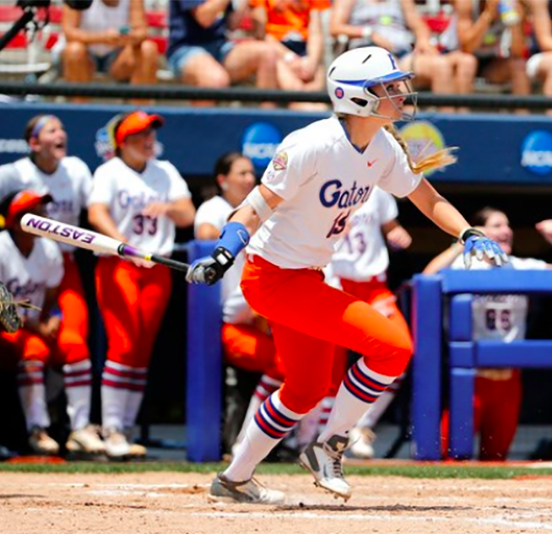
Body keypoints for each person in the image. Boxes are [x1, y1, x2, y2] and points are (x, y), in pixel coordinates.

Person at [186, 45, 509, 504]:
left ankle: (234, 479)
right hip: (273, 278)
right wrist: (223, 252)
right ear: (355, 97)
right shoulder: (311, 143)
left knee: (305, 390)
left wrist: (467, 232)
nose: (399, 94)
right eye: (387, 87)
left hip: (308, 276)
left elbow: (426, 196)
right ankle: (329, 446)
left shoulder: (381, 146)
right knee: (394, 347)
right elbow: (255, 206)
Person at [423, 209, 552, 460]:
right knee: (447, 457)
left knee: (496, 458)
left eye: (507, 226)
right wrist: (465, 238)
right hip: (471, 378)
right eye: (497, 225)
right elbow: (426, 280)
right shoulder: (465, 266)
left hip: (510, 380)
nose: (506, 231)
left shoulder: (522, 265)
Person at [88, 111, 196, 459]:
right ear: (123, 142)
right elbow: (95, 214)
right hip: (118, 262)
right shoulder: (108, 171)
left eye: (150, 133)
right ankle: (113, 428)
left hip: (156, 265)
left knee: (140, 348)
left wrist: (167, 207)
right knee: (122, 343)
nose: (148, 140)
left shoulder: (165, 171)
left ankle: (126, 427)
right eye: (140, 135)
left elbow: (187, 213)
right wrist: (123, 244)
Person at [0, 190, 105, 456]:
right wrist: (37, 326)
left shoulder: (48, 248)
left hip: (35, 323)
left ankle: (80, 429)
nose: (44, 218)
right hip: (2, 329)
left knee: (74, 346)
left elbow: (53, 297)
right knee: (34, 348)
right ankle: (37, 429)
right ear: (16, 218)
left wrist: (55, 317)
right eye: (35, 213)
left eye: (42, 212)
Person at [0, 115, 94, 401]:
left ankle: (70, 422)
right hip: (20, 256)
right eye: (51, 130)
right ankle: (36, 420)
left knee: (73, 340)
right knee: (29, 343)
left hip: (64, 259)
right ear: (34, 142)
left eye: (63, 128)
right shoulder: (11, 174)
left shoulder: (76, 169)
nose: (61, 134)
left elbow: (97, 207)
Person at [194, 152, 285, 454]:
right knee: (281, 363)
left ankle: (277, 439)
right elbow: (206, 238)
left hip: (258, 314)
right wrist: (237, 232)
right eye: (241, 173)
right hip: (227, 317)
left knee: (297, 362)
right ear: (223, 179)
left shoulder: (261, 210)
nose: (249, 179)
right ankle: (248, 442)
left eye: (251, 174)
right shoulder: (215, 207)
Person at [324, 187, 413, 459]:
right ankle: (321, 439)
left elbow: (392, 228)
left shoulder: (377, 191)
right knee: (328, 367)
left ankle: (361, 426)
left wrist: (399, 235)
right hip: (335, 284)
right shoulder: (325, 188)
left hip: (374, 287)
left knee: (401, 351)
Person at [328, 0, 477, 104]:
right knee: (395, 78)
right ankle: (401, 133)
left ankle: (452, 126)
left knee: (441, 65)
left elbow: (418, 25)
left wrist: (423, 40)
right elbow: (335, 27)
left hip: (402, 52)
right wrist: (369, 33)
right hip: (368, 56)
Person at [167, 0, 279, 103]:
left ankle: (266, 120)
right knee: (215, 80)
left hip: (220, 47)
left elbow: (231, 25)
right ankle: (201, 124)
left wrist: (245, 2)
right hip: (185, 48)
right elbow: (204, 18)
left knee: (267, 53)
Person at [60, 0, 159, 102]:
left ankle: (141, 112)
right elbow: (69, 32)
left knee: (148, 49)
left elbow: (141, 31)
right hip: (85, 55)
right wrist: (103, 38)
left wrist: (129, 37)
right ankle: (79, 110)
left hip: (119, 57)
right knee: (74, 50)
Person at [249, 0, 329, 109]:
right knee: (296, 91)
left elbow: (315, 32)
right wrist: (289, 57)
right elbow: (261, 34)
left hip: (305, 48)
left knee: (317, 86)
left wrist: (312, 62)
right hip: (276, 49)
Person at [451, 0, 530, 97]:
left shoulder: (513, 5)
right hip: (461, 58)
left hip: (490, 62)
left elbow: (518, 53)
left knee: (519, 66)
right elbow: (467, 48)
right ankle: (461, 111)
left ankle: (522, 111)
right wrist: (488, 15)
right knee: (468, 62)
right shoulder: (466, 3)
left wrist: (515, 23)